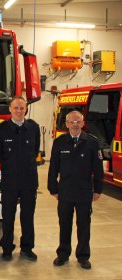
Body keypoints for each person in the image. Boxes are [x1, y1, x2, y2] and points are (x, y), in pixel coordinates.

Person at [48, 110, 103, 270]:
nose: (75, 125)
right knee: (64, 224)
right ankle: (63, 254)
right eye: (72, 122)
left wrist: (98, 189)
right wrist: (53, 188)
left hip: (84, 192)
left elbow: (98, 169)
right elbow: (53, 167)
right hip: (64, 191)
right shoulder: (60, 142)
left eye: (78, 121)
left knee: (84, 225)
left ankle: (83, 256)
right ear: (66, 124)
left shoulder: (92, 142)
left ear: (83, 123)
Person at [0, 96, 40, 261]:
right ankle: (7, 247)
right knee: (8, 216)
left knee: (28, 216)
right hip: (10, 181)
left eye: (22, 108)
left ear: (26, 109)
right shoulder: (2, 129)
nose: (19, 111)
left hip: (29, 181)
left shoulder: (33, 128)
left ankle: (27, 248)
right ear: (10, 110)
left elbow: (35, 150)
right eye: (16, 108)